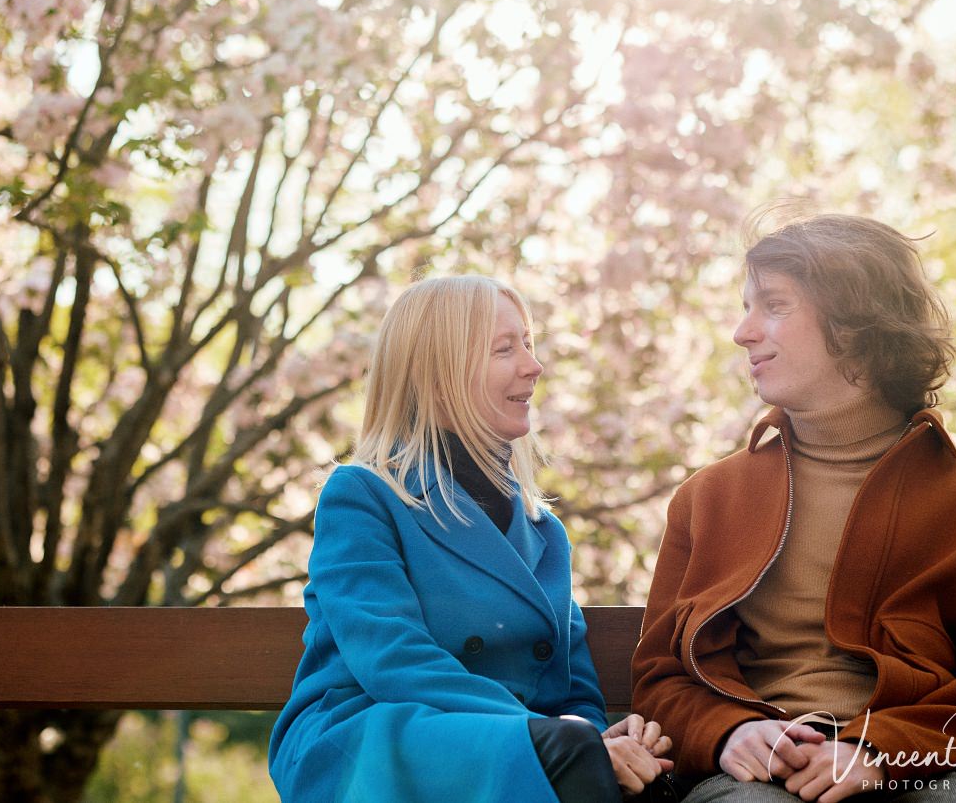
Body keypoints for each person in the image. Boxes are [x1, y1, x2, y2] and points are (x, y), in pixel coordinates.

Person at [632, 208, 956, 802]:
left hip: (929, 768)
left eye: (774, 306)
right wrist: (730, 732)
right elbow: (659, 677)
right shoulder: (708, 499)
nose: (743, 331)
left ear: (857, 325)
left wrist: (874, 750)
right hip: (754, 777)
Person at [269, 275, 673, 803]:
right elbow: (395, 661)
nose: (534, 365)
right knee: (573, 755)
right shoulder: (363, 496)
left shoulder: (541, 531)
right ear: (438, 378)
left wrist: (597, 733)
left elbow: (570, 690)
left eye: (528, 343)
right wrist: (548, 736)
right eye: (505, 349)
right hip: (373, 737)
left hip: (504, 745)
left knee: (646, 776)